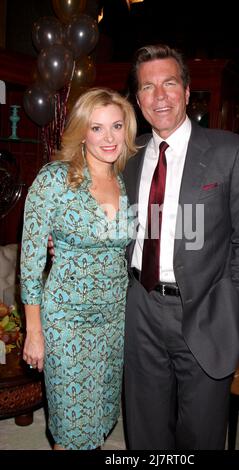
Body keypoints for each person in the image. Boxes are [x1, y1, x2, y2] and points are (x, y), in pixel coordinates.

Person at [122, 44, 239, 450]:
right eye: (148, 87)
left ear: (187, 92)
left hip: (206, 310)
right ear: (138, 100)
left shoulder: (232, 152)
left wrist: (233, 307)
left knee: (200, 436)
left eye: (169, 83)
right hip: (141, 308)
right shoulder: (130, 157)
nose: (159, 96)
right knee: (144, 432)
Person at [20, 88, 137, 450]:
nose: (108, 137)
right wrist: (34, 330)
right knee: (71, 429)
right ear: (82, 132)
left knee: (99, 418)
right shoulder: (54, 179)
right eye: (97, 128)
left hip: (113, 320)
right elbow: (30, 261)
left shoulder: (124, 181)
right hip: (66, 322)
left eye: (116, 126)